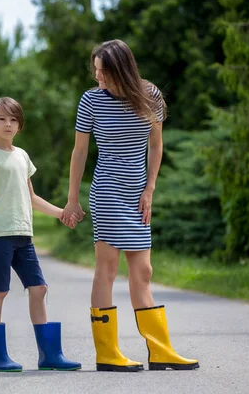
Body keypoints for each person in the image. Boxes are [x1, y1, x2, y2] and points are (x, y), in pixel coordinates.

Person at [61, 39, 199, 372]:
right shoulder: (91, 100)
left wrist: (150, 188)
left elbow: (156, 144)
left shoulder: (149, 96)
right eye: (95, 72)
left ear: (121, 70)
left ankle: (161, 350)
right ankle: (108, 353)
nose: (98, 79)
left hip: (137, 193)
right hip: (107, 192)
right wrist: (73, 198)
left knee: (144, 272)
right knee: (106, 269)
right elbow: (80, 152)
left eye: (103, 72)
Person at [0, 97, 81, 372]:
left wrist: (61, 213)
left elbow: (31, 197)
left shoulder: (22, 156)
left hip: (23, 234)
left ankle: (48, 355)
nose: (8, 124)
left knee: (39, 288)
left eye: (13, 119)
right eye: (1, 119)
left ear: (20, 125)